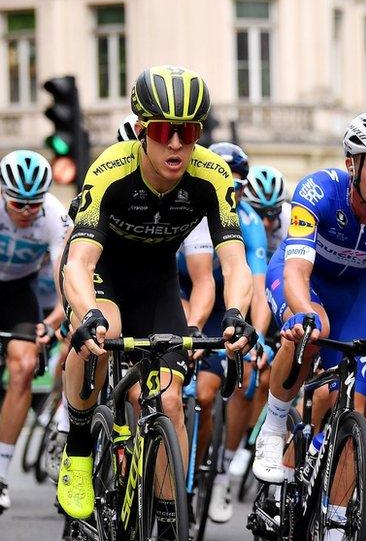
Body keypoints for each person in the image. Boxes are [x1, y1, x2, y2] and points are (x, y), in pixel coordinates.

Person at [57, 65, 256, 526]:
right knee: (105, 333)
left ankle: (169, 521)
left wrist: (234, 314)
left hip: (156, 281)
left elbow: (234, 263)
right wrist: (86, 313)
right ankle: (79, 448)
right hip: (102, 273)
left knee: (169, 399)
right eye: (164, 131)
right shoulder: (110, 170)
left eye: (187, 133)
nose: (175, 145)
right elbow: (79, 263)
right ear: (144, 130)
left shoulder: (212, 176)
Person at [252, 111, 366, 536]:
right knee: (312, 330)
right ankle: (273, 427)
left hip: (356, 294)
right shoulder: (318, 190)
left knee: (354, 410)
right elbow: (296, 273)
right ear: (352, 165)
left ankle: (337, 522)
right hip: (302, 279)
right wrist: (303, 310)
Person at [178, 141, 271, 523]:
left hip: (224, 306)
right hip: (181, 297)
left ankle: (216, 473)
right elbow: (166, 281)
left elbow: (258, 289)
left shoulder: (248, 222)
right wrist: (188, 327)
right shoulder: (184, 209)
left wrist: (259, 337)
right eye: (223, 187)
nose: (229, 196)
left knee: (212, 389)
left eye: (237, 190)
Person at [0, 150, 70, 513]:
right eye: (18, 204)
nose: (27, 212)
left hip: (18, 292)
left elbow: (65, 279)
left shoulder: (55, 216)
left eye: (34, 204)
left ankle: (0, 474)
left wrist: (54, 320)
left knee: (25, 367)